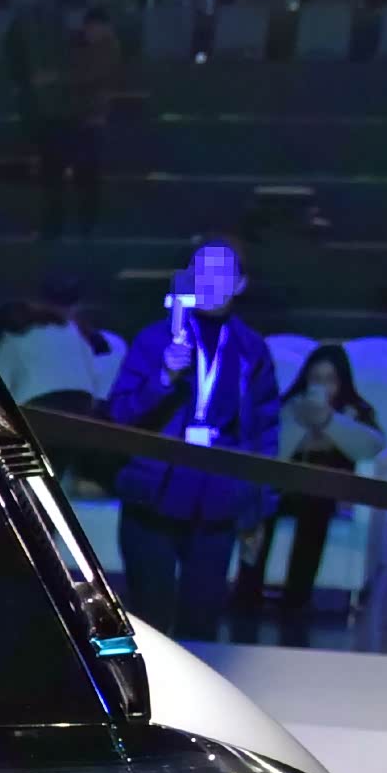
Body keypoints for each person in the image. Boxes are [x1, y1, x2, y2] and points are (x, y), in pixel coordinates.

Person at [104, 234, 278, 642]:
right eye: (201, 271)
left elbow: (264, 433)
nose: (210, 282)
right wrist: (163, 378)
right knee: (148, 621)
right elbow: (120, 414)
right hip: (153, 499)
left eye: (222, 273)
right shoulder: (156, 339)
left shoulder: (251, 349)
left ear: (240, 284)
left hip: (217, 504)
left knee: (202, 623)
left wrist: (256, 511)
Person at [241, 343, 386, 641]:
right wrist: (300, 420)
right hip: (282, 489)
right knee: (262, 505)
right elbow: (272, 452)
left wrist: (329, 421)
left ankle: (297, 598)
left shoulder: (355, 411)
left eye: (330, 380)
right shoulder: (289, 406)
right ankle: (246, 593)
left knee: (316, 507)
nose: (322, 386)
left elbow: (372, 446)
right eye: (315, 378)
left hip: (326, 494)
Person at [25, 4, 122, 244]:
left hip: (89, 122)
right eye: (91, 28)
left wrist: (56, 78)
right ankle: (53, 228)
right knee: (53, 175)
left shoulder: (109, 49)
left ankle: (87, 228)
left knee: (87, 179)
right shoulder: (72, 47)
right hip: (62, 120)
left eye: (98, 28)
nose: (93, 32)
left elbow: (89, 75)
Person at [0, 275, 113, 413]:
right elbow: (93, 374)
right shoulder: (70, 331)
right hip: (83, 401)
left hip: (38, 404)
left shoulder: (11, 339)